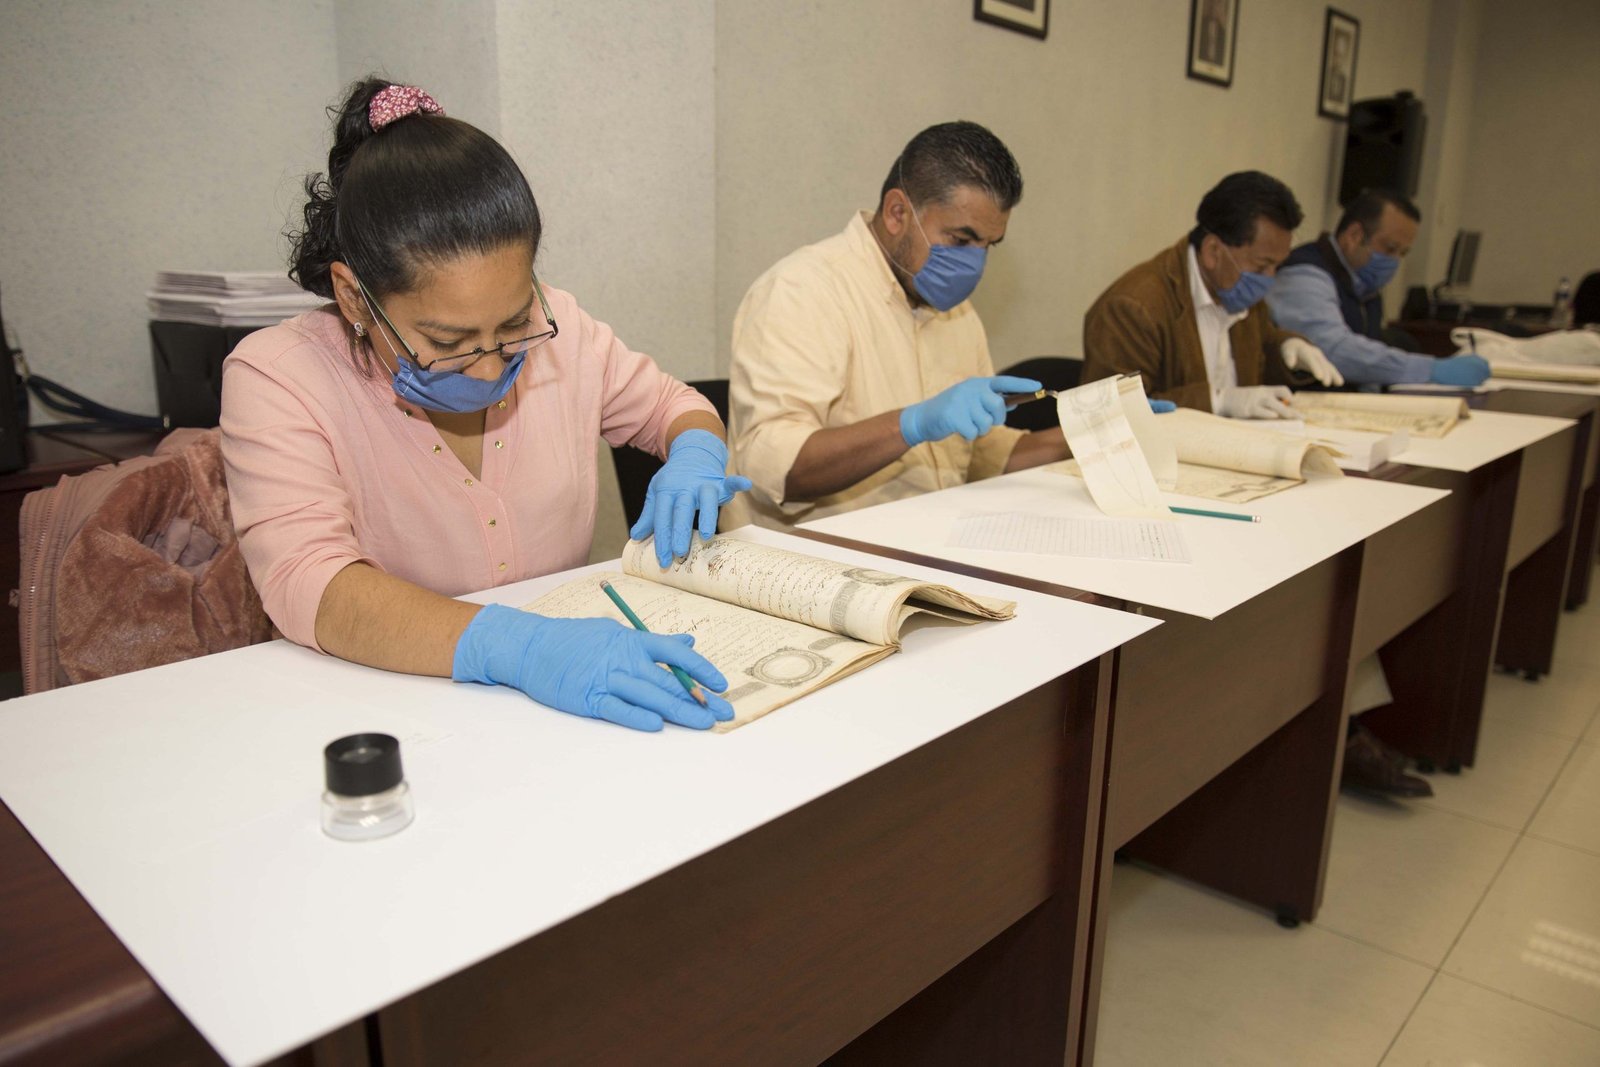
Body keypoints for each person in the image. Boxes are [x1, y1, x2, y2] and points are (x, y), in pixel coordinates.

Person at [221, 79, 750, 733]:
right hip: (386, 715)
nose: (493, 366)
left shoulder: (565, 333)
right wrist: (520, 647)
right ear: (356, 299)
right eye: (449, 343)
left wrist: (694, 449)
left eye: (514, 324)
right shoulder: (278, 377)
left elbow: (673, 405)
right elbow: (311, 582)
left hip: (567, 715)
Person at [726, 121, 1082, 529]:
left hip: (928, 538)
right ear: (897, 213)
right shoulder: (802, 291)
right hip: (808, 555)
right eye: (961, 240)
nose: (975, 264)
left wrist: (1099, 430)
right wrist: (911, 424)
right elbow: (774, 469)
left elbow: (984, 457)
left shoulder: (957, 314)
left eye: (988, 246)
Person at [1081, 171, 1343, 416]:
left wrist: (1288, 347)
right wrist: (1218, 401)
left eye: (1277, 266)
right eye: (1262, 266)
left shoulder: (1238, 292)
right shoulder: (1133, 307)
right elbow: (1111, 413)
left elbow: (1262, 346)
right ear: (1213, 252)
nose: (1269, 278)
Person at [1267, 189, 1491, 387]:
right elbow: (1333, 349)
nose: (1394, 261)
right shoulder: (1304, 275)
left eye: (1402, 253)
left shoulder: (1364, 283)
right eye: (1390, 248)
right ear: (1354, 236)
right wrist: (1430, 369)